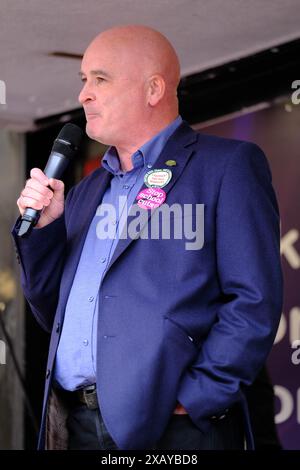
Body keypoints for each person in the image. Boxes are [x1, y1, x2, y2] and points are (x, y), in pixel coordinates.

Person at [12, 25, 283, 450]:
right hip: (75, 421)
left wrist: (198, 396)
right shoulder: (86, 191)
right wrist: (44, 231)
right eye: (83, 80)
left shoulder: (226, 165)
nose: (84, 94)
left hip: (173, 427)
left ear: (153, 88)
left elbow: (253, 299)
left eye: (100, 79)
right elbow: (55, 315)